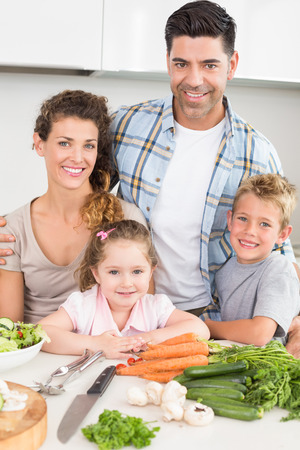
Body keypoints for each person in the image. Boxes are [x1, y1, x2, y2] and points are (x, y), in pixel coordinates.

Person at [0, 1, 300, 354]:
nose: (194, 79)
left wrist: (295, 324)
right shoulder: (127, 126)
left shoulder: (257, 152)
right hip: (129, 313)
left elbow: (277, 255)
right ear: (168, 63)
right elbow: (77, 181)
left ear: (231, 66)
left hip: (211, 319)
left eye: (210, 65)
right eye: (181, 63)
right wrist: (18, 234)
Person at [0, 90, 147, 323]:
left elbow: (143, 315)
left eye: (88, 146)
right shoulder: (12, 230)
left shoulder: (125, 219)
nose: (78, 158)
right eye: (65, 143)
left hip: (105, 353)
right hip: (35, 351)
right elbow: (8, 329)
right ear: (39, 144)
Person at [38, 220, 210, 357]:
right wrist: (96, 344)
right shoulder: (83, 305)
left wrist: (151, 338)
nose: (126, 283)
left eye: (137, 271)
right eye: (114, 272)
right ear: (96, 274)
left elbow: (200, 329)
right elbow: (41, 333)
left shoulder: (155, 306)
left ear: (151, 272)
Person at [204, 174, 299, 347]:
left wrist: (208, 327)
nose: (250, 231)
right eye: (243, 218)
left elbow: (260, 334)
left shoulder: (279, 268)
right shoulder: (224, 272)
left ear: (282, 234)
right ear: (230, 221)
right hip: (235, 362)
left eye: (264, 224)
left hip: (267, 367)